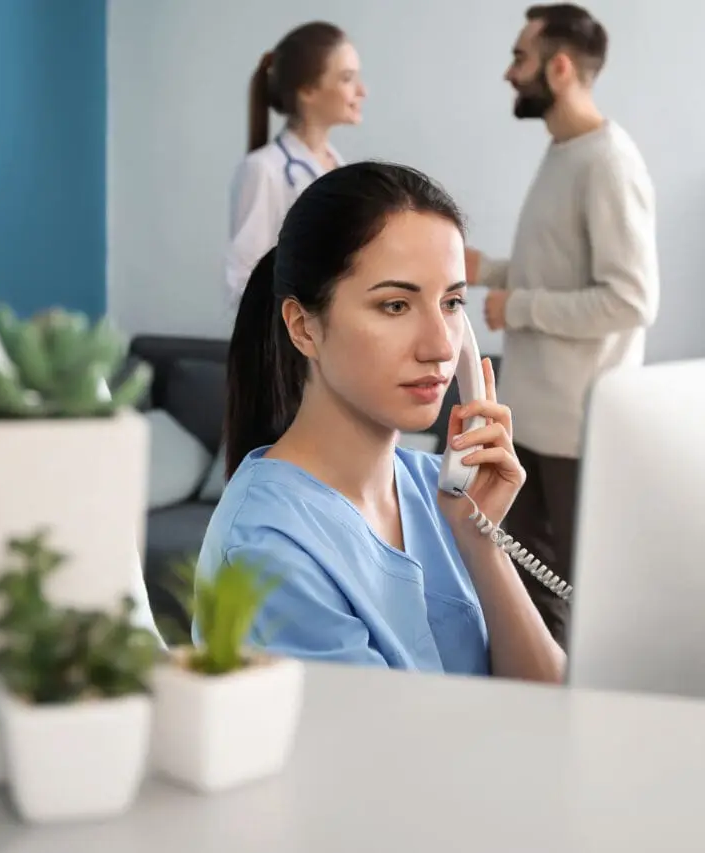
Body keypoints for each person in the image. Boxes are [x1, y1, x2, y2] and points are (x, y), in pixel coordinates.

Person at [196, 160, 566, 684]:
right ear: (304, 327)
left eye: (452, 302)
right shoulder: (268, 549)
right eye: (395, 305)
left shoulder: (436, 491)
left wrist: (481, 541)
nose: (441, 345)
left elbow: (551, 703)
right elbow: (387, 758)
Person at [464, 4, 660, 649]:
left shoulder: (608, 161)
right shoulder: (565, 153)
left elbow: (630, 300)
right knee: (526, 593)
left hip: (578, 433)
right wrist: (490, 270)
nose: (507, 73)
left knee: (577, 603)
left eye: (519, 58)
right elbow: (564, 269)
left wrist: (514, 307)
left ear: (560, 66)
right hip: (538, 426)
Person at [222, 21, 367, 308]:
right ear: (308, 90)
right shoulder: (264, 170)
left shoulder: (339, 168)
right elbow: (243, 283)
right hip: (291, 342)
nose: (362, 91)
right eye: (347, 78)